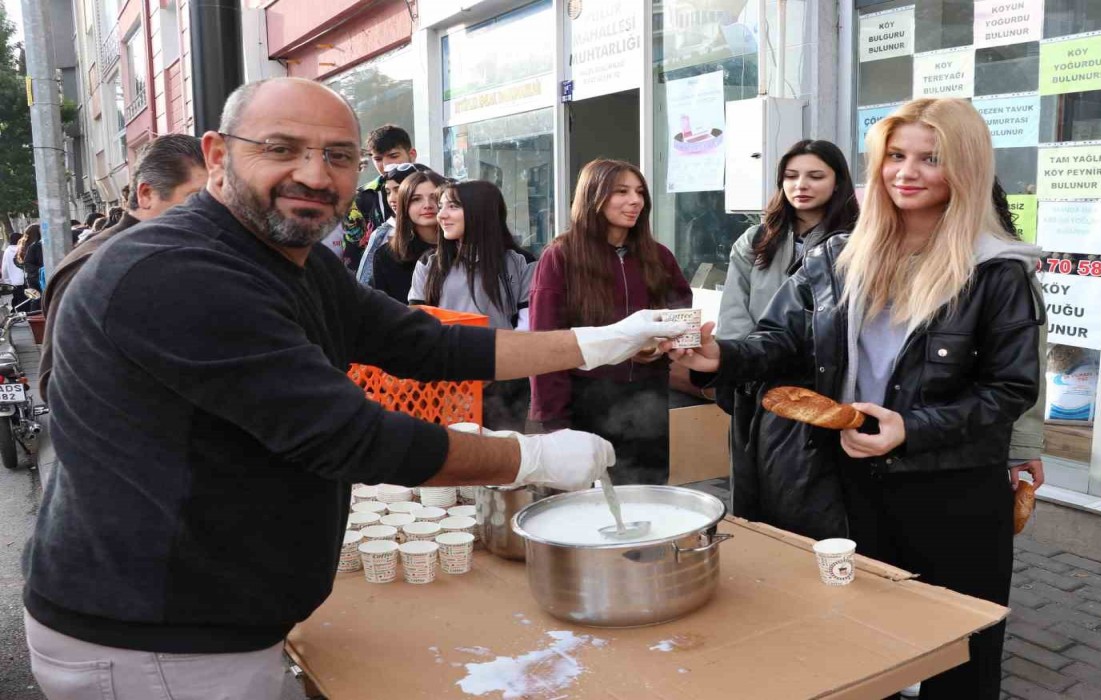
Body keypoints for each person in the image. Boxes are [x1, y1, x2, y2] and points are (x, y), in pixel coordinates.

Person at [23, 77, 687, 700]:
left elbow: (427, 343)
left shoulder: (294, 262)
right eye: (282, 149)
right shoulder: (179, 271)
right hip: (155, 636)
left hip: (216, 618)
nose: (315, 175)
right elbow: (350, 437)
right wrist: (531, 458)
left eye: (338, 156)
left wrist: (597, 340)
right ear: (218, 154)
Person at [668, 98, 1042, 699]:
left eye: (931, 158)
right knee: (864, 644)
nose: (906, 172)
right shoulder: (840, 257)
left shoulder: (996, 271)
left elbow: (1009, 389)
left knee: (961, 654)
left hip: (952, 489)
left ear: (966, 167)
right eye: (895, 155)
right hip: (847, 482)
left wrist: (913, 427)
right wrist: (723, 358)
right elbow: (782, 338)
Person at [529, 159, 693, 485]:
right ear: (594, 196)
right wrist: (554, 422)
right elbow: (545, 340)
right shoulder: (561, 256)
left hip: (649, 398)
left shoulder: (657, 255)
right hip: (586, 399)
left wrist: (662, 345)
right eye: (621, 191)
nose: (635, 201)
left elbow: (680, 310)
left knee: (649, 499)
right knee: (588, 504)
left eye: (639, 192)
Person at [38, 133, 207, 399]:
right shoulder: (94, 267)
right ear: (146, 194)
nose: (212, 213)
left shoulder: (173, 254)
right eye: (197, 198)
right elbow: (58, 384)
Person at [414, 180, 537, 430]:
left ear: (481, 211)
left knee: (504, 456)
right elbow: (418, 321)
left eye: (453, 206)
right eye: (441, 207)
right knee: (457, 457)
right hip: (447, 379)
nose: (441, 215)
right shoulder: (429, 263)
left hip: (506, 379)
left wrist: (495, 367)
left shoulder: (521, 261)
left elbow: (528, 325)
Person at [718, 139, 859, 343]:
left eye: (816, 176)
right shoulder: (755, 240)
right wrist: (745, 360)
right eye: (790, 176)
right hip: (756, 366)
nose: (801, 185)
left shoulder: (854, 243)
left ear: (838, 183)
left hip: (825, 367)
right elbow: (733, 315)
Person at [340, 124, 418, 270]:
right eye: (378, 159)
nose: (386, 164)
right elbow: (352, 258)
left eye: (394, 156)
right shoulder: (360, 199)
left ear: (412, 154)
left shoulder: (437, 189)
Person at [369, 168, 448, 296]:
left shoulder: (465, 249)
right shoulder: (387, 256)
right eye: (416, 199)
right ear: (404, 206)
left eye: (435, 197)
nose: (427, 205)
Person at [2, 231, 26, 303]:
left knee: (18, 301)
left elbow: (4, 268)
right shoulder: (23, 250)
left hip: (14, 283)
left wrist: (7, 281)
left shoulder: (7, 252)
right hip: (25, 281)